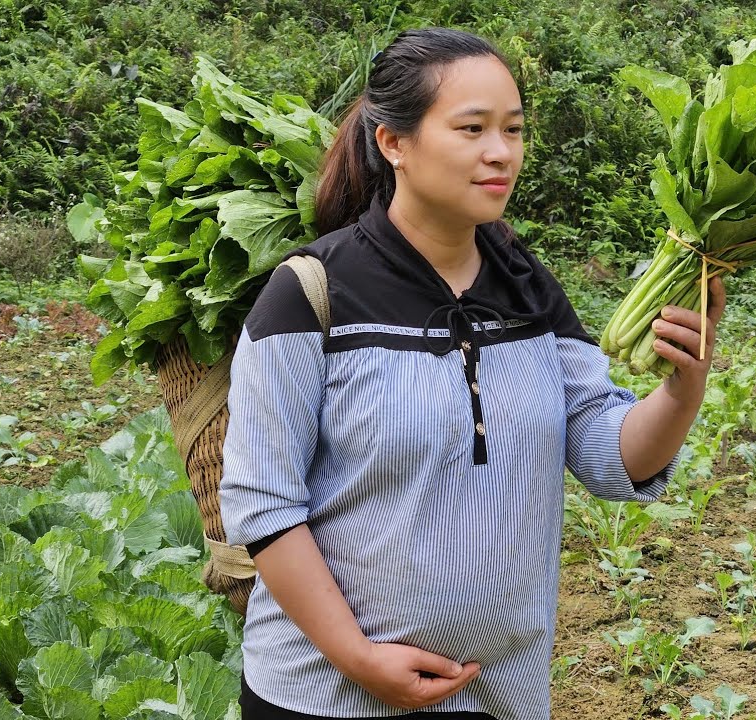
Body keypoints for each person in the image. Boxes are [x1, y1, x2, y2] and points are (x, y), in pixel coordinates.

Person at [219, 26, 727, 720]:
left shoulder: (528, 288)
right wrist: (360, 659)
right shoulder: (312, 293)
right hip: (327, 696)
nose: (501, 153)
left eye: (513, 130)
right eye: (472, 128)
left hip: (498, 693)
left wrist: (683, 386)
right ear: (393, 142)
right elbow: (265, 506)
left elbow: (610, 457)